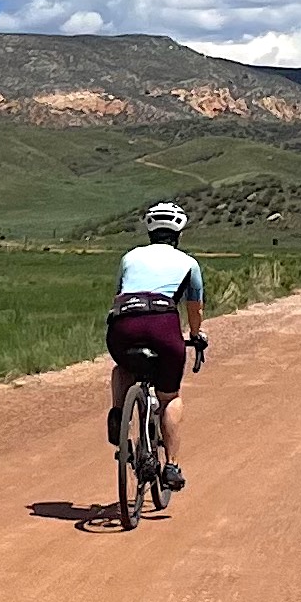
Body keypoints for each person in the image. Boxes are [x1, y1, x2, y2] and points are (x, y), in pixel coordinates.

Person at [105, 202, 207, 492]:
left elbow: (119, 295)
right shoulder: (189, 263)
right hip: (162, 324)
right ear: (178, 234)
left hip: (124, 323)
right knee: (169, 397)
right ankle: (172, 466)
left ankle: (117, 413)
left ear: (150, 231)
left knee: (123, 366)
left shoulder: (130, 257)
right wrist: (196, 335)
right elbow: (194, 308)